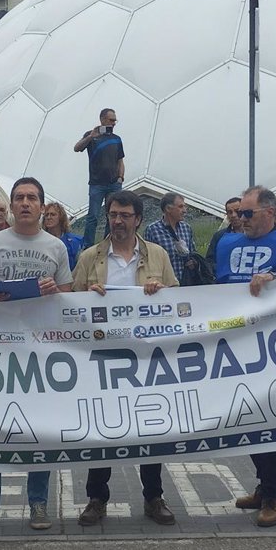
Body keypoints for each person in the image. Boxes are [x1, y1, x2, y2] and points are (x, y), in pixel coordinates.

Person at [0, 177, 73, 532]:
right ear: (11, 206)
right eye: (19, 198)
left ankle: (39, 504)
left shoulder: (56, 246)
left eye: (32, 198)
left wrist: (52, 291)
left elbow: (69, 297)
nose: (25, 203)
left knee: (39, 430)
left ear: (43, 206)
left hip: (40, 350)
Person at [72, 190, 179, 527]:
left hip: (146, 359)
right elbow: (70, 305)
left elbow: (179, 299)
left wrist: (160, 290)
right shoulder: (90, 256)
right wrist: (87, 297)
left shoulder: (158, 254)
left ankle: (153, 497)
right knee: (102, 428)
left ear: (138, 219)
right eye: (113, 214)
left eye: (124, 215)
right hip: (101, 359)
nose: (117, 221)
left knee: (150, 427)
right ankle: (96, 498)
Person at [213, 186, 276, 527]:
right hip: (237, 348)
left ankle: (272, 494)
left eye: (247, 213)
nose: (239, 219)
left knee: (272, 420)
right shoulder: (227, 244)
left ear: (270, 212)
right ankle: (268, 483)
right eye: (239, 213)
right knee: (246, 419)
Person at [73, 108, 124, 247]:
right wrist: (90, 137)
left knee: (112, 215)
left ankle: (109, 244)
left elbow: (120, 161)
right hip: (97, 184)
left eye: (115, 120)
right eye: (111, 120)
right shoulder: (91, 135)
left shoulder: (116, 139)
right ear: (102, 119)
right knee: (93, 216)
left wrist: (120, 178)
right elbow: (77, 148)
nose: (114, 123)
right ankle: (87, 246)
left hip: (114, 184)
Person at [144, 192, 195, 283]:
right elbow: (147, 260)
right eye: (180, 207)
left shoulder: (186, 228)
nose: (184, 210)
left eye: (184, 206)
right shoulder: (153, 230)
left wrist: (193, 262)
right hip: (164, 286)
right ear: (168, 208)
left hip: (187, 285)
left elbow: (193, 253)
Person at [43, 201, 84, 269]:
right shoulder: (39, 240)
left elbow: (80, 268)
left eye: (53, 214)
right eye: (46, 215)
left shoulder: (75, 242)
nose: (49, 217)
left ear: (61, 217)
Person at [205, 197, 243, 269]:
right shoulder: (219, 236)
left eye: (237, 211)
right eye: (230, 212)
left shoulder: (255, 234)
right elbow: (209, 261)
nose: (233, 215)